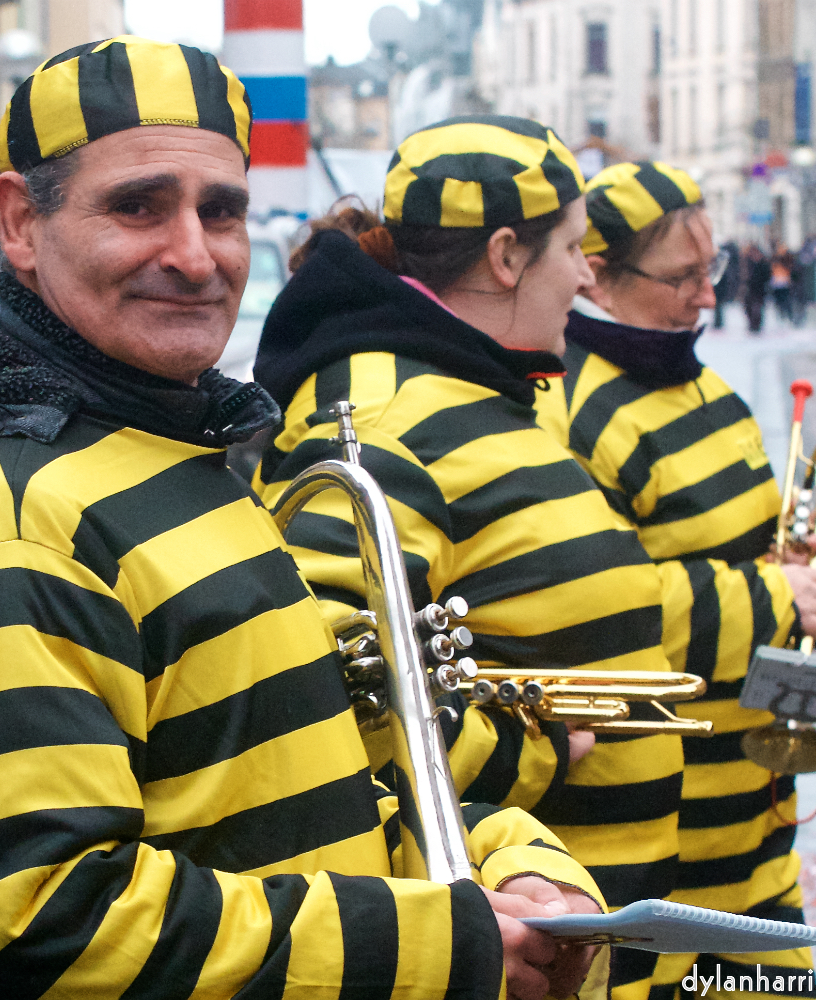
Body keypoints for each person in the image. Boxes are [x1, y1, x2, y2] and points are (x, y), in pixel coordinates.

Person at [0, 40, 607, 1000]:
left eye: (220, 211)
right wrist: (443, 943)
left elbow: (303, 787)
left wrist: (513, 862)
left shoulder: (172, 449)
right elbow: (48, 922)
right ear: (21, 223)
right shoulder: (7, 509)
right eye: (138, 205)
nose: (194, 256)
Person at [253, 116, 686, 1000]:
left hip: (588, 928)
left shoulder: (474, 388)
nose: (586, 273)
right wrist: (537, 756)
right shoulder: (386, 419)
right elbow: (331, 688)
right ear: (504, 255)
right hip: (524, 937)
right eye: (571, 247)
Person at [554, 160, 816, 1000]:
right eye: (682, 277)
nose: (708, 297)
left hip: (755, 830)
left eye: (710, 270)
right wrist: (772, 599)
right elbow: (600, 608)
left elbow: (769, 537)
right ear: (599, 280)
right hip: (668, 845)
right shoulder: (577, 409)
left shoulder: (703, 385)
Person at [742, 243, 770, 334]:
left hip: (759, 290)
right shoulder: (748, 262)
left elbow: (767, 276)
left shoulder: (763, 263)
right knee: (749, 308)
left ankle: (756, 326)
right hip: (750, 289)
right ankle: (752, 325)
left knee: (757, 308)